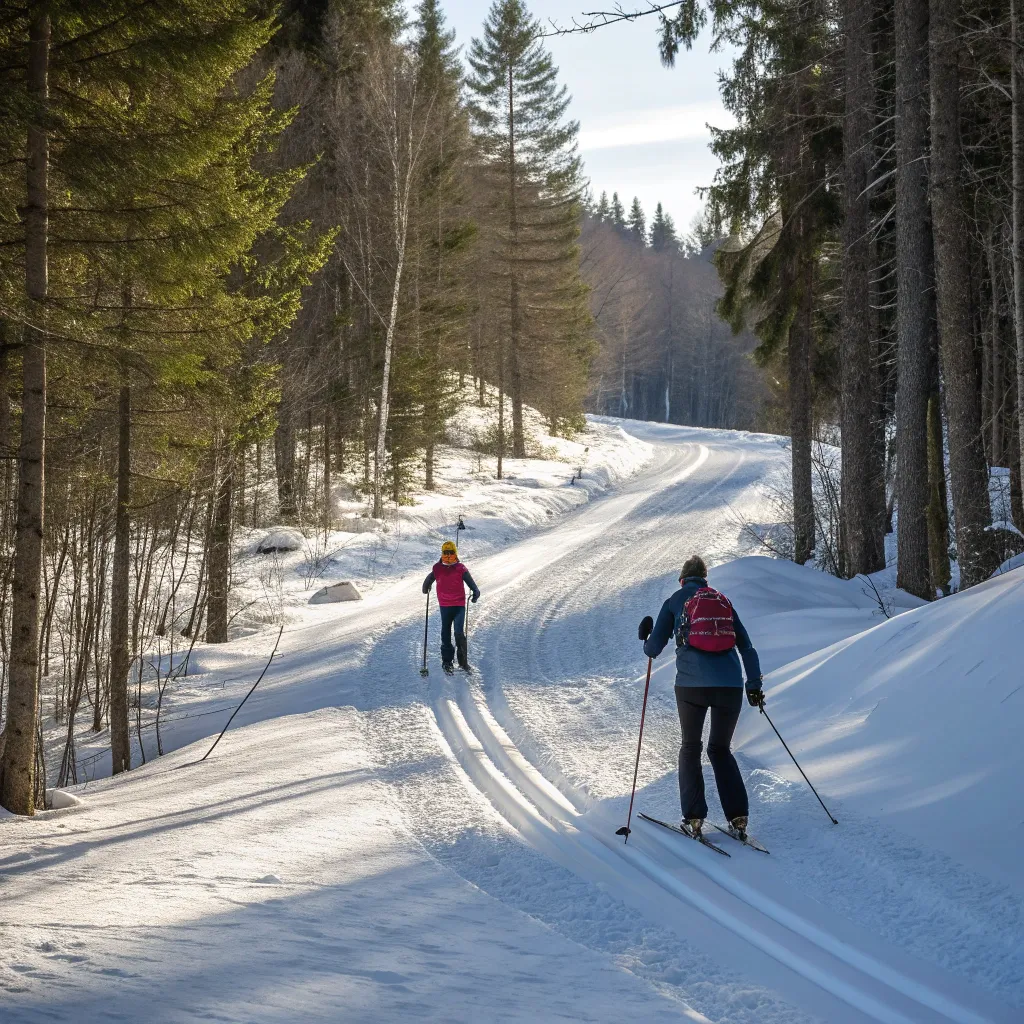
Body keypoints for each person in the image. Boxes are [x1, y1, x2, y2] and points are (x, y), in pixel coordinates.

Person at [638, 555, 763, 841]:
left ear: (682, 579)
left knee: (690, 747)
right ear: (705, 579)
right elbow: (747, 647)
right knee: (720, 749)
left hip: (691, 686)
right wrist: (754, 685)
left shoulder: (675, 600)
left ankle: (694, 818)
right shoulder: (723, 601)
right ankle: (738, 818)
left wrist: (645, 637)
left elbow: (653, 648)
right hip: (730, 686)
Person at [423, 540, 480, 674]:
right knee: (445, 633)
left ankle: (463, 662)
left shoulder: (460, 568)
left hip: (459, 605)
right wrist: (426, 586)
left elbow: (471, 582)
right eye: (446, 553)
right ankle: (447, 662)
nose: (448, 556)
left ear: (455, 553)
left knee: (459, 632)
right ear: (442, 554)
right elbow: (429, 579)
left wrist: (475, 592)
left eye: (451, 552)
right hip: (445, 605)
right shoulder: (437, 568)